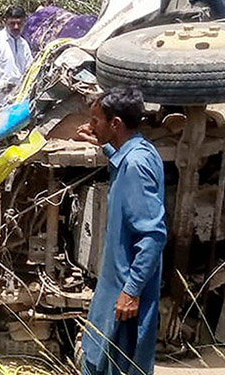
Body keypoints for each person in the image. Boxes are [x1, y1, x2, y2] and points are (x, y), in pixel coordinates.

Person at [76, 86, 167, 375]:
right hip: (116, 285)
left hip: (123, 290)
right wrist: (101, 143)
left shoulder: (136, 165)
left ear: (115, 124)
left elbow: (153, 235)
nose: (91, 126)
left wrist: (131, 290)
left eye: (96, 121)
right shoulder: (138, 152)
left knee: (111, 362)